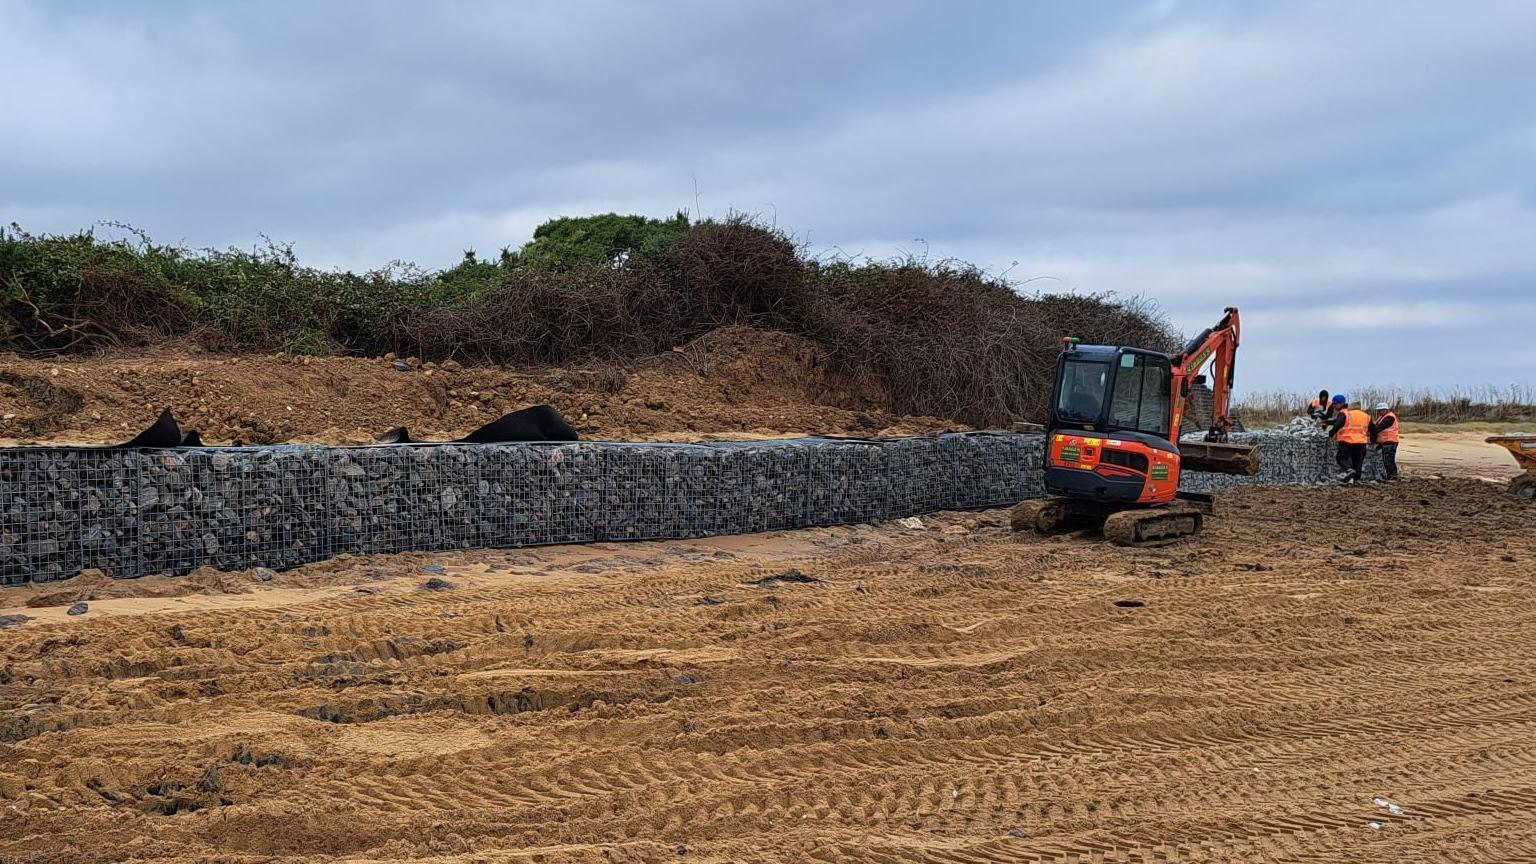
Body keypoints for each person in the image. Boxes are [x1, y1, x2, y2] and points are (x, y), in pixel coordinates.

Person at [1325, 398, 1371, 483]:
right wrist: (1374, 440)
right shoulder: (1366, 416)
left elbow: (1338, 424)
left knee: (1341, 458)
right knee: (1357, 461)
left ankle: (1349, 470)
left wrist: (1330, 434)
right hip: (1361, 442)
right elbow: (1373, 429)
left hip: (1347, 441)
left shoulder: (1346, 413)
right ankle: (1356, 479)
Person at [1371, 401, 1400, 481]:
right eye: (1379, 410)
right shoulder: (1382, 417)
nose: (1380, 412)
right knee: (1386, 459)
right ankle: (1390, 475)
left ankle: (1393, 476)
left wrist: (1371, 435)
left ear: (1386, 409)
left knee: (1389, 460)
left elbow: (1378, 428)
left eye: (1381, 410)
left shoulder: (1389, 417)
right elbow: (1376, 427)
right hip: (1385, 442)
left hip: (1390, 441)